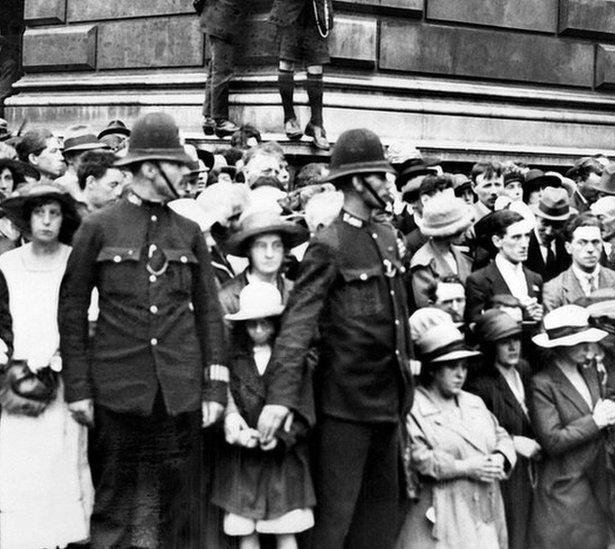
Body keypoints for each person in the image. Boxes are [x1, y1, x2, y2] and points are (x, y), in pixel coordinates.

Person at [58, 112, 227, 548]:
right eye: (177, 164)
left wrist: (213, 390)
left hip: (179, 391)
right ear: (151, 167)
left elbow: (209, 313)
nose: (186, 171)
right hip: (118, 389)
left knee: (181, 510)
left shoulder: (189, 231)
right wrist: (78, 387)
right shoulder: (98, 227)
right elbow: (72, 311)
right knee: (114, 507)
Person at [265, 128, 413, 548]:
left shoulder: (385, 237)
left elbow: (399, 318)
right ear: (355, 181)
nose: (388, 183)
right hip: (344, 408)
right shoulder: (328, 244)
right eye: (380, 175)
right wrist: (280, 398)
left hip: (388, 403)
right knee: (334, 524)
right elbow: (297, 327)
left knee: (381, 522)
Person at [0, 182, 91, 548]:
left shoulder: (76, 260)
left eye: (54, 213)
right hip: (17, 377)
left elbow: (86, 315)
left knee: (64, 456)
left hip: (63, 373)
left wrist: (57, 358)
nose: (47, 221)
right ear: (27, 218)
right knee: (20, 458)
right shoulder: (5, 264)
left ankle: (63, 536)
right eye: (40, 213)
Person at [397, 308, 515, 549]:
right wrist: (466, 467)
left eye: (464, 366)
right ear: (432, 369)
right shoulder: (414, 407)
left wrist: (501, 457)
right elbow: (418, 458)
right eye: (452, 367)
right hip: (441, 512)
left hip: (484, 509)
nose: (460, 374)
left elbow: (501, 435)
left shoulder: (473, 402)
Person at [212, 282, 315, 549]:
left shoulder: (291, 362)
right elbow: (223, 399)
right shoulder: (232, 361)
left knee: (286, 530)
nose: (259, 330)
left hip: (283, 461)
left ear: (277, 323)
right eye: (251, 324)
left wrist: (282, 436)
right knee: (245, 531)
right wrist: (237, 432)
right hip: (242, 460)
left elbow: (304, 410)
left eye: (265, 323)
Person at [528, 305, 615, 549]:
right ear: (561, 345)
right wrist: (595, 422)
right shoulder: (542, 384)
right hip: (567, 486)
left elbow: (600, 416)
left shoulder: (589, 373)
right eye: (580, 343)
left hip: (601, 476)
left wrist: (612, 416)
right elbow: (552, 440)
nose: (589, 349)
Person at [466, 309, 539, 549]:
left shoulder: (524, 370)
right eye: (503, 341)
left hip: (532, 467)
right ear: (490, 346)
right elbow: (479, 435)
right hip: (506, 473)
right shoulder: (480, 385)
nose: (512, 347)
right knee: (512, 532)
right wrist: (513, 441)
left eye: (516, 339)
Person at [219, 208, 309, 320]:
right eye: (261, 246)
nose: (269, 254)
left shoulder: (295, 292)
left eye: (276, 245)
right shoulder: (227, 298)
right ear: (248, 250)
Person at [270, 0, 333, 150]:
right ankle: (289, 119)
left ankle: (317, 125)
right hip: (288, 14)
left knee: (316, 68)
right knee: (286, 64)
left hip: (316, 12)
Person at [464, 210, 543, 324]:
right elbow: (473, 326)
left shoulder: (535, 279)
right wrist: (517, 315)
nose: (524, 244)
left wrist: (538, 316)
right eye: (516, 237)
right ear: (497, 241)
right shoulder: (479, 281)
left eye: (527, 236)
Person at [410, 193, 474, 307]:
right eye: (460, 230)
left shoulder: (461, 254)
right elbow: (426, 306)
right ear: (448, 232)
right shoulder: (423, 263)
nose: (466, 232)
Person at [542, 215, 615, 311]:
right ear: (568, 247)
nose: (590, 249)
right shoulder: (554, 289)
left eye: (595, 242)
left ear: (602, 245)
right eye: (582, 243)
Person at [199, 0, 244, 137]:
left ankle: (209, 117)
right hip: (222, 19)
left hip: (214, 17)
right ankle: (219, 120)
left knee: (215, 68)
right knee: (222, 71)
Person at [526, 187, 573, 282]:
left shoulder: (567, 245)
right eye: (545, 223)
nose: (548, 232)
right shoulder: (523, 245)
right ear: (535, 216)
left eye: (557, 226)